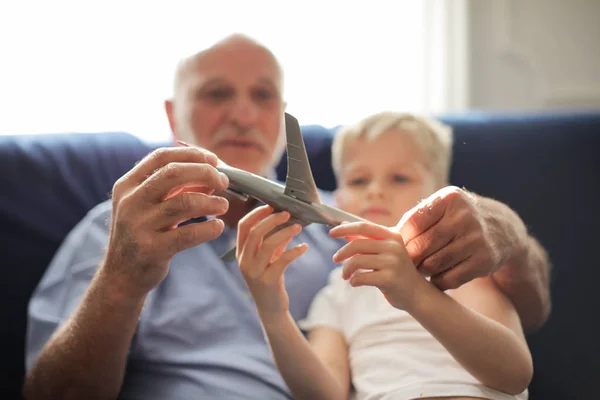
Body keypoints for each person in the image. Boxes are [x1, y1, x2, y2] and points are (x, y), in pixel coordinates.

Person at [23, 33, 551, 399]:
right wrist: (121, 278)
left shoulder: (357, 218)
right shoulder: (115, 229)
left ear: (282, 115)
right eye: (216, 94)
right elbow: (51, 393)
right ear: (171, 114)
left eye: (263, 96)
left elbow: (528, 313)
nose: (243, 114)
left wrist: (511, 240)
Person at [235, 112, 539, 399]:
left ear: (439, 196)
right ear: (338, 198)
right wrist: (272, 312)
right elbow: (325, 393)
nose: (375, 191)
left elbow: (514, 373)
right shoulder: (338, 291)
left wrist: (414, 291)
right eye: (358, 180)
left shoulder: (462, 266)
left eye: (399, 178)